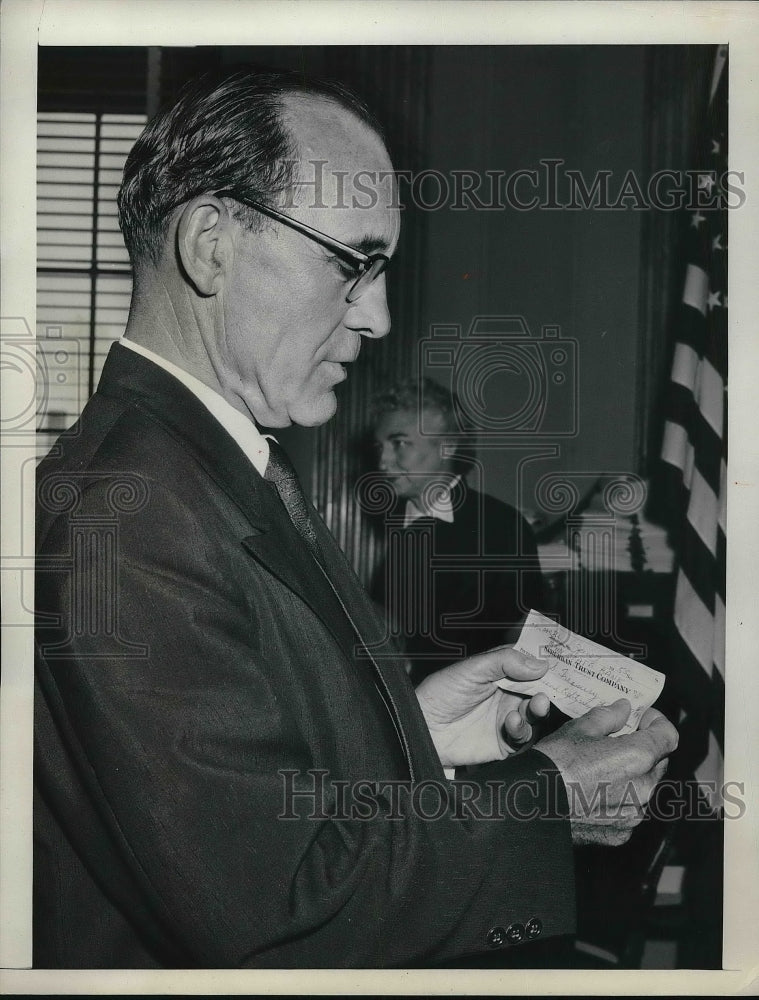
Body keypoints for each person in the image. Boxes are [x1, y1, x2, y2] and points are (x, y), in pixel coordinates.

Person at [34, 68, 678, 969]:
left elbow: (238, 791)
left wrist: (414, 735)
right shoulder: (127, 513)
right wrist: (548, 792)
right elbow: (272, 905)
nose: (375, 315)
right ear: (210, 244)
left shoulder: (200, 468)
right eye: (351, 262)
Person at [370, 377, 544, 685]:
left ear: (447, 447)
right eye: (380, 447)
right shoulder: (397, 525)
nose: (383, 461)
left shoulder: (502, 527)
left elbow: (528, 641)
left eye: (399, 444)